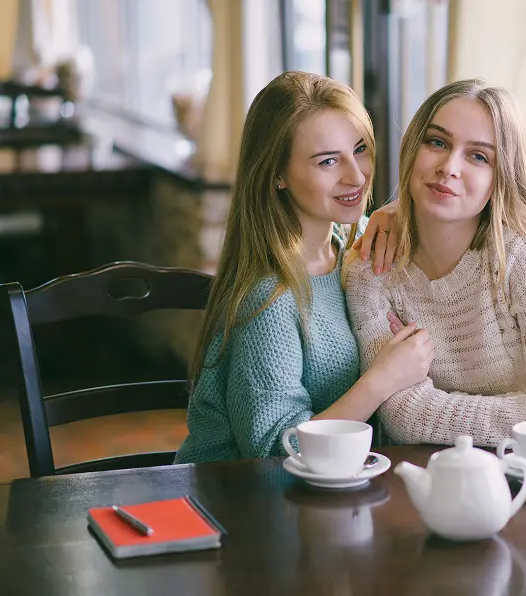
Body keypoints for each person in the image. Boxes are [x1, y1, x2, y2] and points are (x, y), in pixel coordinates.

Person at [175, 71, 432, 463]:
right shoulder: (269, 297)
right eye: (328, 160)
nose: (357, 175)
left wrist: (408, 213)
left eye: (360, 149)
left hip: (338, 487)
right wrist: (381, 380)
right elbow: (278, 451)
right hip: (239, 501)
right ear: (277, 175)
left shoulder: (357, 242)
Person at [344, 78, 526, 447]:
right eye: (437, 142)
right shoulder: (371, 269)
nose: (449, 167)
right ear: (411, 149)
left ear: (500, 175)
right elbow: (402, 416)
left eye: (478, 156)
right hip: (425, 481)